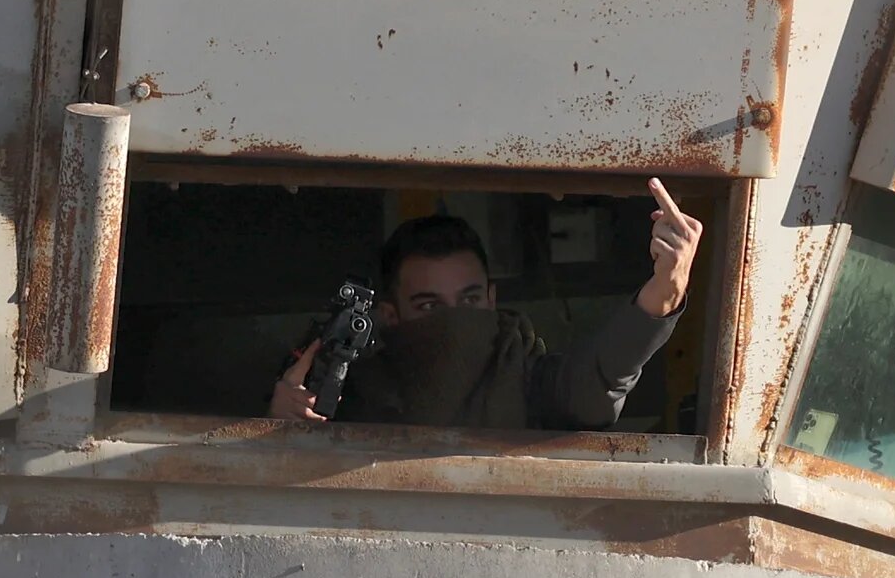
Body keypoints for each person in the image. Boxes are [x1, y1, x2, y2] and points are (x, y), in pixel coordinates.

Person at [267, 178, 703, 430]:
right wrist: (278, 423)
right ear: (390, 316)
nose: (455, 320)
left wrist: (665, 287)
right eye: (430, 307)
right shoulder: (352, 389)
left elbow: (599, 381)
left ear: (492, 300)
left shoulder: (529, 375)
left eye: (469, 300)